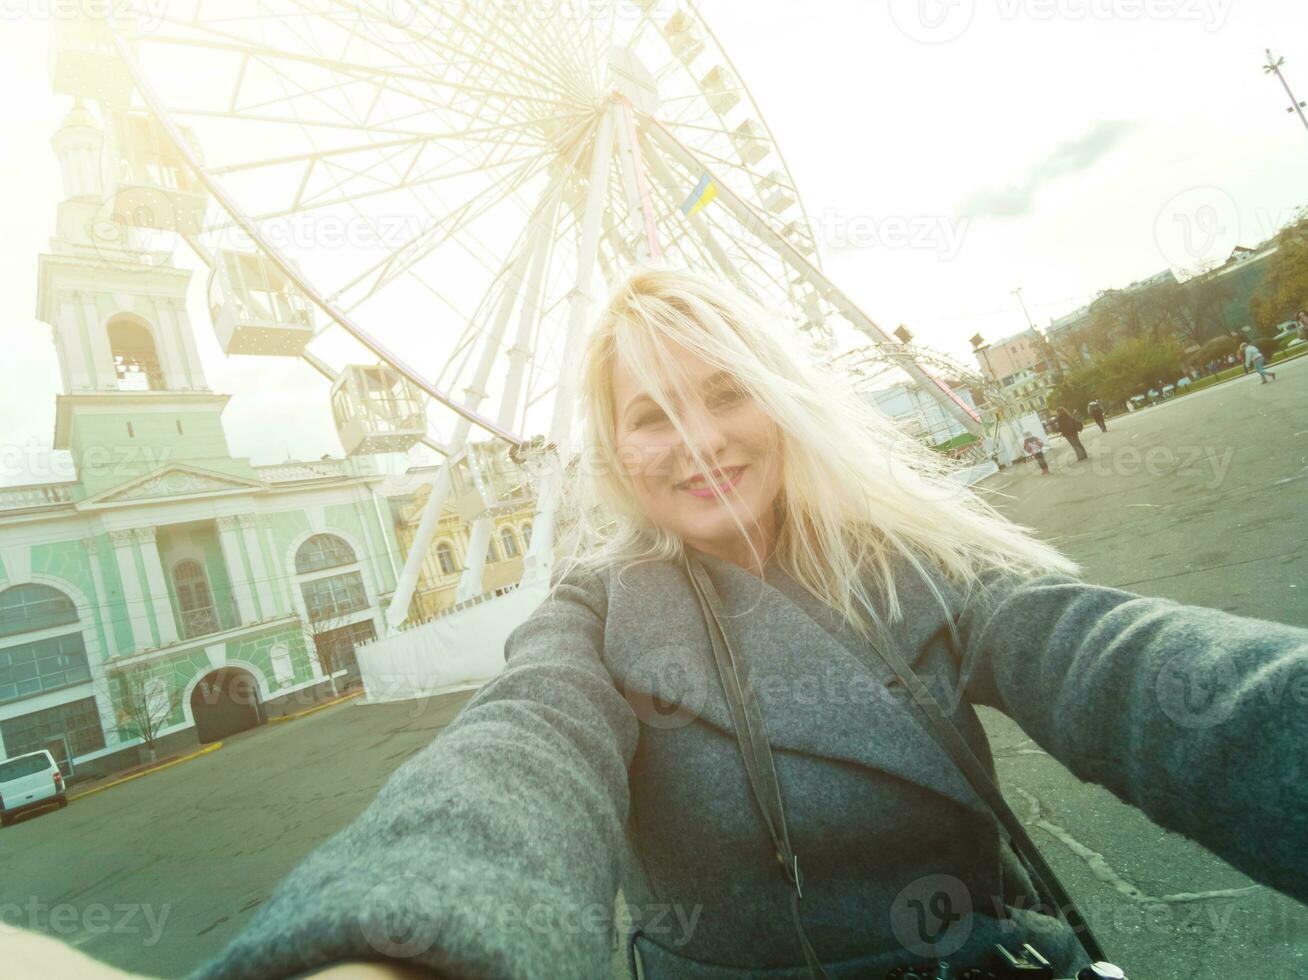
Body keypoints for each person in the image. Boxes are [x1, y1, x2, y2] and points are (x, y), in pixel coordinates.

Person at [15, 269, 1308, 980]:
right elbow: (511, 763)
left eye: (724, 392)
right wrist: (391, 948)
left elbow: (1136, 674)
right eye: (648, 414)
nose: (693, 436)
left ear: (783, 401)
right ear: (614, 449)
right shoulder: (592, 617)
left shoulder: (921, 570)